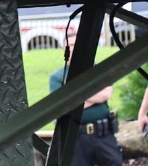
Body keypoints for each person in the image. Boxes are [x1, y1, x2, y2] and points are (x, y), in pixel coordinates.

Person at [49, 27, 121, 166]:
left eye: (77, 45)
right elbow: (63, 107)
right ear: (64, 49)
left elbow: (106, 93)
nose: (75, 48)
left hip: (103, 134)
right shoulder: (57, 77)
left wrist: (73, 98)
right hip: (75, 138)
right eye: (70, 45)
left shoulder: (98, 70)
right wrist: (94, 95)